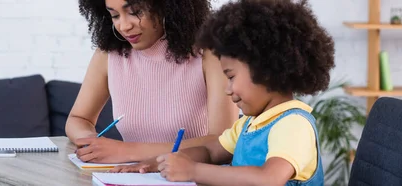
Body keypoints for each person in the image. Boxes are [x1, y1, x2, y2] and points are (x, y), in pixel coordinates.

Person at [111, 0, 336, 185]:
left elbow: (269, 179)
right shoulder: (249, 124)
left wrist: (193, 171)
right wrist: (160, 162)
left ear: (266, 70)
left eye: (230, 77)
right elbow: (211, 152)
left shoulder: (293, 124)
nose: (228, 90)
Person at [66, 0, 239, 164]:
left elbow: (222, 142)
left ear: (166, 5)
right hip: (131, 176)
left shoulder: (210, 54)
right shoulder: (109, 55)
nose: (124, 26)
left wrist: (126, 151)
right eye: (115, 15)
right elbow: (78, 119)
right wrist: (92, 143)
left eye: (135, 12)